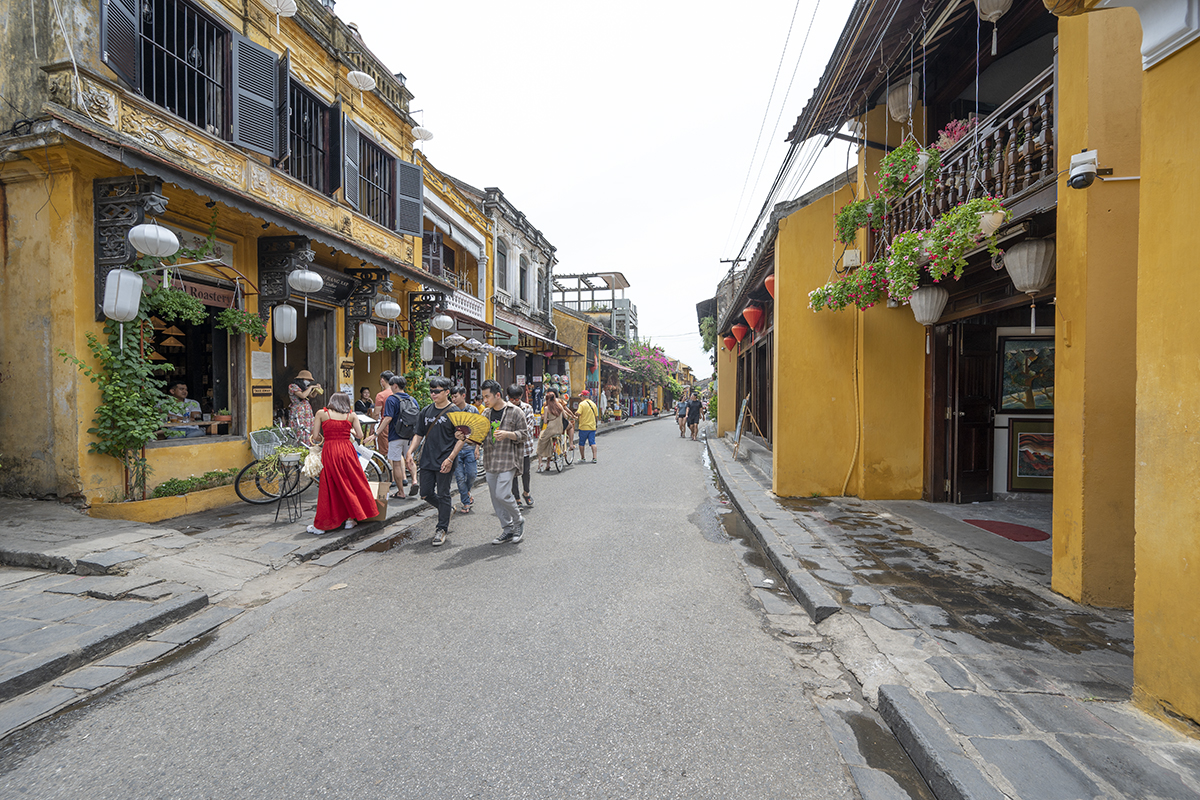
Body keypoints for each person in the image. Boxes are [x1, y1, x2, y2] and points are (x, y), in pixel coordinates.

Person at [306, 391, 379, 535]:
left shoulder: (321, 413)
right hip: (347, 451)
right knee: (350, 482)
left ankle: (324, 524)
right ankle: (350, 519)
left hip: (330, 450)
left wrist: (325, 435)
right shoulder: (351, 415)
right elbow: (360, 435)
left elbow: (315, 436)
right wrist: (348, 431)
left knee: (330, 484)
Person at [407, 377, 464, 547]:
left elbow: (462, 439)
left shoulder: (455, 412)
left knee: (444, 493)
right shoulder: (426, 411)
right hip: (427, 458)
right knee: (425, 493)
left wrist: (451, 458)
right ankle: (446, 509)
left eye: (437, 391)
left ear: (447, 392)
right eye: (431, 391)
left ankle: (441, 529)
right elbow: (419, 434)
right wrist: (410, 451)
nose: (433, 394)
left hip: (445, 459)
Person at [477, 379, 530, 545]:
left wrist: (508, 434)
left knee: (502, 494)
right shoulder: (485, 414)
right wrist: (468, 438)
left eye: (487, 396)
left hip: (508, 459)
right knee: (495, 498)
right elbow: (480, 436)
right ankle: (507, 529)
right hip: (490, 460)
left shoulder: (516, 412)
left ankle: (518, 520)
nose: (485, 400)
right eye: (483, 397)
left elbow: (524, 435)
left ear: (498, 395)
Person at [379, 375, 420, 499]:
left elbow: (388, 418)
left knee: (396, 464)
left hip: (395, 435)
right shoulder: (412, 399)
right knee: (410, 459)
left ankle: (401, 492)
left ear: (395, 386)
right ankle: (414, 480)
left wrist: (377, 433)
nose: (391, 388)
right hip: (410, 436)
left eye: (391, 385)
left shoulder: (391, 399)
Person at [450, 385, 480, 514]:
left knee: (472, 474)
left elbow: (478, 431)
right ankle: (466, 502)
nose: (453, 399)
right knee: (460, 477)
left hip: (470, 448)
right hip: (456, 450)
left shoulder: (473, 410)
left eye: (455, 396)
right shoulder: (451, 411)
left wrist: (477, 448)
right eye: (452, 397)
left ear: (463, 396)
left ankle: (466, 492)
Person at [507, 384, 536, 507]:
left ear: (521, 397)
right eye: (511, 399)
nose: (514, 401)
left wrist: (513, 433)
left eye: (516, 399)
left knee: (526, 472)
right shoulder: (505, 409)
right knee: (513, 474)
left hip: (524, 446)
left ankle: (526, 492)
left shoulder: (527, 408)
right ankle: (517, 498)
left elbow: (528, 427)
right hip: (510, 447)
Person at [536, 389, 574, 472]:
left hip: (550, 430)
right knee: (568, 429)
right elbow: (565, 416)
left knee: (541, 442)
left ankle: (540, 463)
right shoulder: (560, 405)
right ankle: (571, 444)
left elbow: (545, 421)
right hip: (559, 429)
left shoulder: (546, 408)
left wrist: (549, 418)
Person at [288, 370, 322, 445]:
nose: (308, 382)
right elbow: (303, 395)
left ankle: (308, 443)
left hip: (306, 411)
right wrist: (311, 387)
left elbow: (312, 395)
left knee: (308, 427)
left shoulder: (304, 387)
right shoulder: (293, 386)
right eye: (308, 380)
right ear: (302, 379)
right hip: (298, 411)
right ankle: (300, 444)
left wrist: (316, 389)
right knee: (300, 427)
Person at [576, 389, 600, 463]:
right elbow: (596, 416)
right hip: (592, 427)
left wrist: (575, 413)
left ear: (583, 396)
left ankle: (583, 458)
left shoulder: (582, 404)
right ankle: (594, 457)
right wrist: (596, 425)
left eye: (581, 396)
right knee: (592, 442)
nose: (580, 397)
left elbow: (578, 413)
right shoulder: (593, 404)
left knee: (581, 443)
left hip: (583, 427)